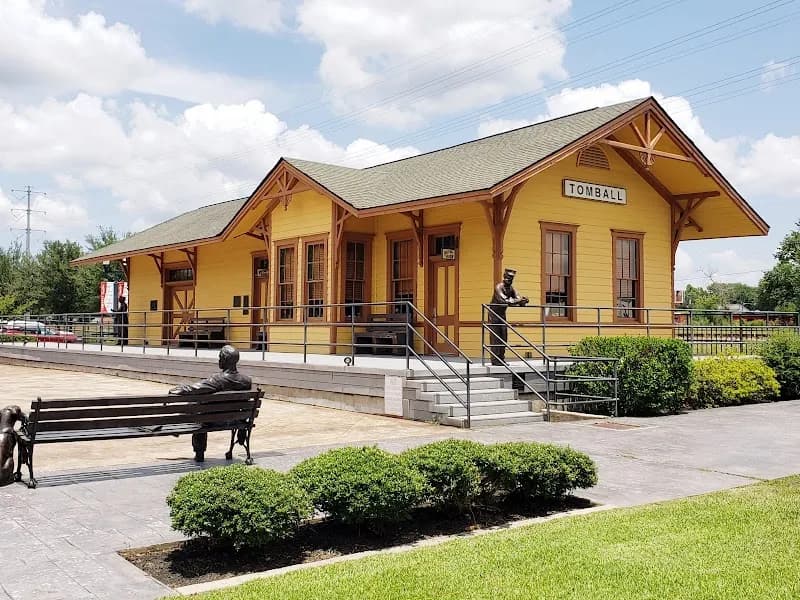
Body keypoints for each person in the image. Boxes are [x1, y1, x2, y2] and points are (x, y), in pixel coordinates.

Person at [169, 345, 252, 462]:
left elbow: (195, 388)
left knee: (200, 416)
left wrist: (178, 389)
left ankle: (199, 454)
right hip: (236, 420)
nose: (218, 360)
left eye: (220, 357)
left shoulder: (217, 380)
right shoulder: (247, 381)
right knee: (200, 407)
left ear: (224, 360)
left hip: (213, 421)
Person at [487, 268, 529, 366]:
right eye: (507, 277)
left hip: (502, 315)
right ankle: (495, 360)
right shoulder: (499, 287)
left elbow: (517, 298)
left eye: (511, 278)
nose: (508, 280)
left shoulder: (511, 288)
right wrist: (518, 301)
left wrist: (523, 300)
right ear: (504, 277)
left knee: (504, 337)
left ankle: (501, 358)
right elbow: (504, 301)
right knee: (496, 338)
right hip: (493, 315)